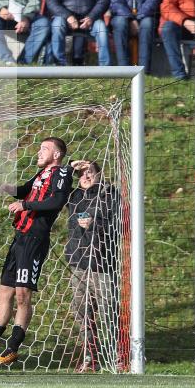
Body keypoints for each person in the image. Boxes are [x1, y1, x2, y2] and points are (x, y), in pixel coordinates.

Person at [0, 137, 72, 366]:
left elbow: (57, 201)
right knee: (4, 293)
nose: (38, 152)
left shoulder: (61, 173)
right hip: (20, 238)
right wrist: (8, 188)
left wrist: (25, 205)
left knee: (22, 294)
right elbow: (25, 190)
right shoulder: (41, 175)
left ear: (56, 155)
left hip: (35, 240)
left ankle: (13, 347)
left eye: (44, 149)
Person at [66, 160, 119, 373]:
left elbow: (120, 222)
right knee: (82, 312)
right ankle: (90, 357)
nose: (85, 177)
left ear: (99, 174)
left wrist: (95, 224)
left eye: (90, 173)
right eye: (81, 174)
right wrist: (70, 168)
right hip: (79, 264)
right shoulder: (73, 196)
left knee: (109, 313)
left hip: (103, 264)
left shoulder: (110, 194)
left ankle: (117, 356)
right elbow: (55, 187)